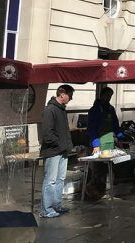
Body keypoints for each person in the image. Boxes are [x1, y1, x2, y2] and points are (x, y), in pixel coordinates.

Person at [39, 84, 75, 218]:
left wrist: (68, 146)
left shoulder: (62, 109)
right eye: (70, 95)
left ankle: (56, 205)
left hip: (62, 150)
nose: (71, 98)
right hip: (53, 151)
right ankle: (46, 209)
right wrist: (61, 145)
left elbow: (65, 131)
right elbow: (47, 134)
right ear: (62, 94)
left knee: (60, 179)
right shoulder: (50, 109)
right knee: (51, 180)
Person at [86, 87, 125, 201]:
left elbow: (115, 125)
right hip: (97, 144)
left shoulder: (110, 109)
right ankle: (94, 192)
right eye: (107, 96)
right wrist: (95, 144)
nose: (109, 98)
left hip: (109, 143)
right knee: (97, 170)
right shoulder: (94, 110)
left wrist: (121, 138)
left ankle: (101, 191)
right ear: (101, 95)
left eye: (110, 96)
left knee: (107, 168)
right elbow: (91, 129)